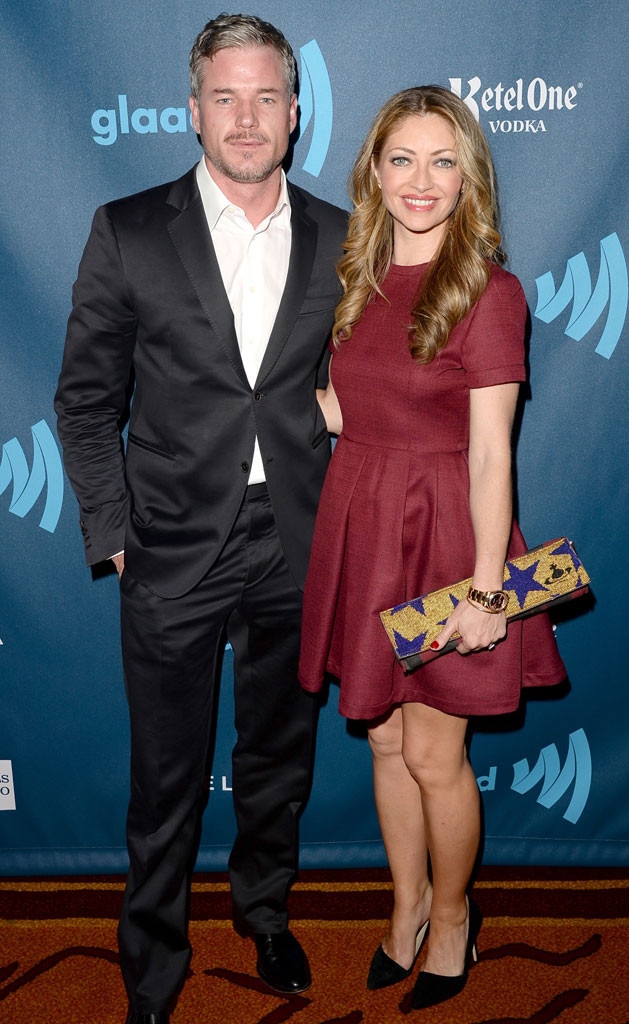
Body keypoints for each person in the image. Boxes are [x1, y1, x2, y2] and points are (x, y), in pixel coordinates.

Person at [54, 14, 347, 1024]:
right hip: (172, 546)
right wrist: (115, 531)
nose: (246, 116)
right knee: (166, 779)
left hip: (297, 546)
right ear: (191, 110)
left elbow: (364, 385)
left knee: (278, 759)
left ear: (296, 111)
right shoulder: (128, 230)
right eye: (225, 96)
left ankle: (263, 911)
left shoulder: (342, 239)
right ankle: (154, 966)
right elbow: (86, 403)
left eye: (266, 95)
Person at [298, 85, 566, 1012]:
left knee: (433, 756)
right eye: (403, 158)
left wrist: (489, 594)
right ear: (374, 168)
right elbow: (345, 410)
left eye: (443, 161)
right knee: (381, 742)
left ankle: (454, 919)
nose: (421, 180)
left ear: (469, 178)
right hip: (364, 524)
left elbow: (493, 453)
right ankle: (405, 907)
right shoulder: (356, 278)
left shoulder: (489, 291)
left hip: (446, 539)